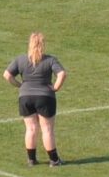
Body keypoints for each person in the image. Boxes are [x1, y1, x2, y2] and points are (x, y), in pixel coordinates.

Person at [4, 32, 65, 165]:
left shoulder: (20, 59)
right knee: (47, 129)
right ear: (43, 45)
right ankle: (54, 160)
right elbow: (62, 74)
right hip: (45, 97)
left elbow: (7, 75)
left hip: (25, 97)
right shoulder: (50, 60)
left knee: (30, 129)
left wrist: (20, 85)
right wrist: (55, 87)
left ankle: (31, 159)